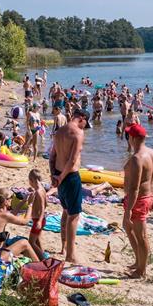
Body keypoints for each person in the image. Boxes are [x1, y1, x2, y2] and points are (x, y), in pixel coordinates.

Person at [49, 108, 89, 263]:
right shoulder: (78, 133)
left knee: (65, 212)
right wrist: (60, 177)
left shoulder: (59, 132)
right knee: (74, 216)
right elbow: (72, 161)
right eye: (86, 123)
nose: (85, 126)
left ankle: (63, 247)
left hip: (59, 174)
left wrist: (54, 175)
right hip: (70, 177)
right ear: (82, 118)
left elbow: (52, 156)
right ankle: (70, 254)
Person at [123, 123, 153, 278]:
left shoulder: (137, 158)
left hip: (137, 200)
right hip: (147, 197)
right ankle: (139, 261)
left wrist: (129, 210)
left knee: (141, 235)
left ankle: (141, 270)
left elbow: (134, 188)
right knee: (128, 228)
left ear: (133, 138)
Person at [27, 169, 48, 259]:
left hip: (38, 220)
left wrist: (39, 221)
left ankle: (43, 259)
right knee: (37, 241)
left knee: (31, 242)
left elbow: (43, 206)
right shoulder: (41, 189)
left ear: (32, 180)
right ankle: (42, 255)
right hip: (40, 219)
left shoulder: (39, 192)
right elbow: (46, 203)